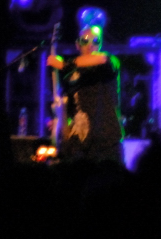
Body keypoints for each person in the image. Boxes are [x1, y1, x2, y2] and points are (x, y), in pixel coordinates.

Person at [46, 24, 124, 164]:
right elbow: (68, 111)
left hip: (105, 141)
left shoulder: (109, 63)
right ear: (77, 44)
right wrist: (60, 126)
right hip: (79, 144)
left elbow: (102, 59)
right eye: (85, 40)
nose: (90, 44)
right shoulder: (70, 75)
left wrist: (64, 64)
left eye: (96, 41)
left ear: (101, 44)